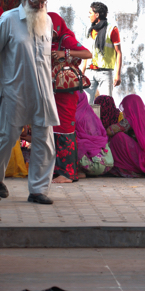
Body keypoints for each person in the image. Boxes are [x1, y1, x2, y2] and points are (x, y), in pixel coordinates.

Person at [0, 0, 59, 205]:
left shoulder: (48, 21)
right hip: (15, 90)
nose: (40, 6)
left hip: (43, 91)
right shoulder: (8, 20)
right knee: (8, 137)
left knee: (45, 139)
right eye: (36, 2)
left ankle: (38, 190)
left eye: (44, 1)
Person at [48, 12, 92, 183]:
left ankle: (67, 173)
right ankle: (59, 170)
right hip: (53, 90)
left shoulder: (65, 38)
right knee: (54, 129)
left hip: (66, 92)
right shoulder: (48, 40)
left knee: (65, 128)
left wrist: (64, 54)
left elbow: (87, 54)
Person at [105, 95, 145, 178]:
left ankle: (127, 168)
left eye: (125, 107)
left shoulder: (131, 119)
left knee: (119, 137)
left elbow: (110, 131)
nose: (124, 110)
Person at [82, 2, 122, 103]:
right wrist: (82, 72)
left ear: (97, 15)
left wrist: (117, 74)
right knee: (85, 103)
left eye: (90, 12)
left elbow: (118, 52)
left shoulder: (112, 29)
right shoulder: (89, 29)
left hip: (105, 73)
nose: (89, 15)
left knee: (106, 104)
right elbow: (86, 52)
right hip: (89, 72)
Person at [75, 91, 114, 176]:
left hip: (93, 165)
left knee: (67, 140)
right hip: (108, 163)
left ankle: (76, 170)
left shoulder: (77, 115)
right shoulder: (91, 114)